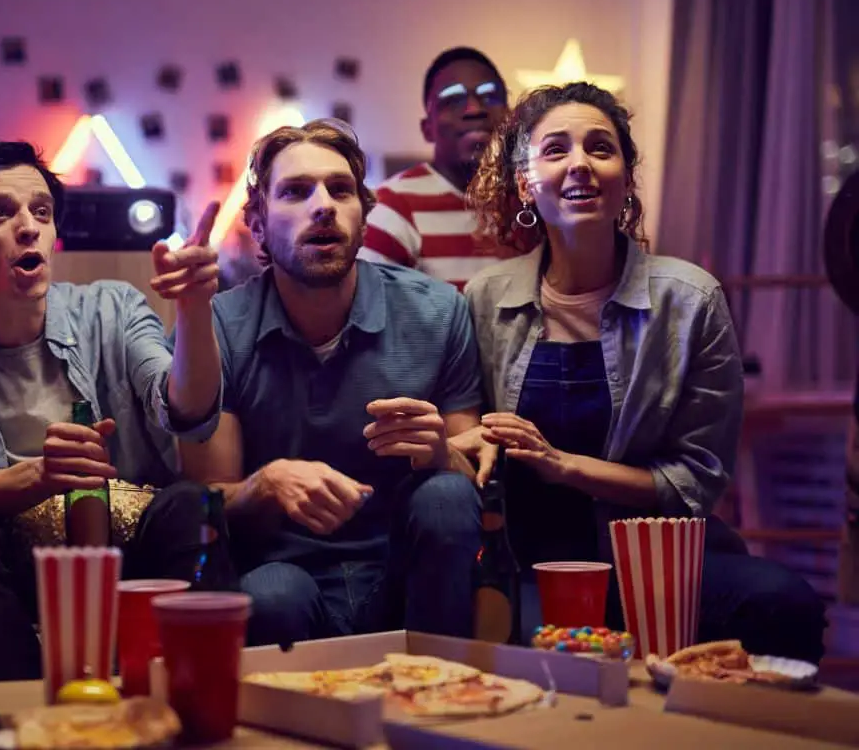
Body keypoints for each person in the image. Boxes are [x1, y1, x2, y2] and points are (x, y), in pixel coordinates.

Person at [461, 81, 826, 661]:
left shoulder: (691, 300)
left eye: (600, 148)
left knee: (783, 603)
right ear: (526, 181)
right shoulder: (484, 299)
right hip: (527, 560)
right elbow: (471, 440)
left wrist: (565, 467)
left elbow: (695, 483)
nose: (580, 164)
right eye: (556, 150)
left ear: (626, 178)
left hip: (652, 563)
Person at [0, 137, 222, 706]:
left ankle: (184, 716)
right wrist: (37, 478)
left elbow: (185, 411)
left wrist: (195, 311)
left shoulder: (111, 308)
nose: (28, 227)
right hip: (9, 557)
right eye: (0, 213)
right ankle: (26, 724)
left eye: (41, 213)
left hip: (124, 542)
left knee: (193, 505)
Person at [177, 118, 485, 647]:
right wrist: (265, 484)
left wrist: (442, 452)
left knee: (447, 497)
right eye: (296, 192)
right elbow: (206, 498)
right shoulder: (220, 327)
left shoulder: (438, 312)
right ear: (257, 219)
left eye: (340, 190)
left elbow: (473, 474)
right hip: (283, 578)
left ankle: (442, 696)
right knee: (274, 592)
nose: (323, 205)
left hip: (404, 570)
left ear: (364, 216)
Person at [359, 47, 513, 290]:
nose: (475, 110)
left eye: (490, 96)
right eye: (453, 100)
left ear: (511, 117)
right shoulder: (394, 204)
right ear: (427, 128)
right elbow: (368, 309)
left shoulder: (534, 201)